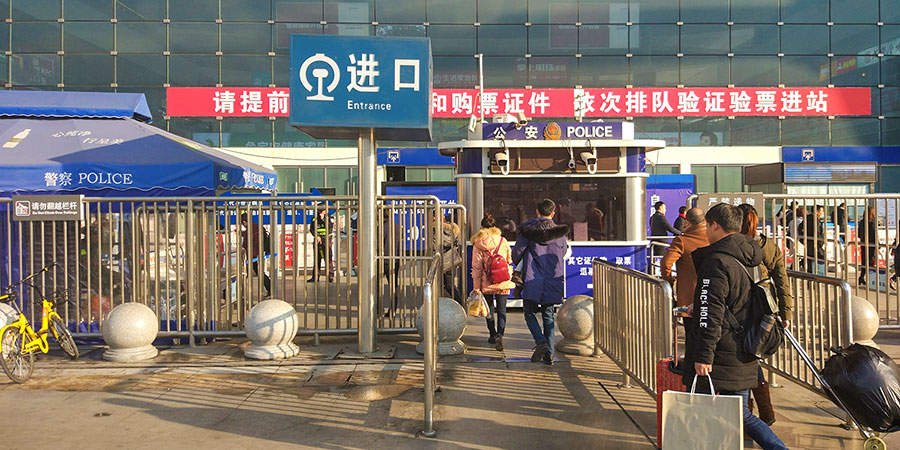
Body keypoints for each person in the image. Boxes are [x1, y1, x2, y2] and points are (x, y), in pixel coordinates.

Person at [683, 203, 787, 450]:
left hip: (721, 352)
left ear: (715, 225)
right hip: (746, 346)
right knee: (740, 414)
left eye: (708, 226)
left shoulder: (716, 262)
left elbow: (712, 314)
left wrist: (703, 356)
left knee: (703, 413)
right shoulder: (752, 257)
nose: (706, 231)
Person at [738, 203, 794, 426]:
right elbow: (782, 280)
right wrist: (785, 312)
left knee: (744, 359)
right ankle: (765, 412)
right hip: (763, 312)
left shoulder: (734, 245)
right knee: (753, 356)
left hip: (739, 310)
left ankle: (748, 414)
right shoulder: (767, 245)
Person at [512, 198, 568, 366]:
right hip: (553, 279)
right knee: (548, 316)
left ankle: (540, 341)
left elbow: (517, 254)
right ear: (553, 213)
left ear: (537, 212)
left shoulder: (527, 231)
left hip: (531, 278)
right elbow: (563, 252)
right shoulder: (560, 234)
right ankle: (549, 354)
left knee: (529, 313)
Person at [471, 214, 515, 351]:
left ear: (481, 227)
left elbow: (477, 267)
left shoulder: (478, 243)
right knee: (502, 309)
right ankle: (500, 335)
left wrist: (476, 287)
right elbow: (509, 260)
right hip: (502, 280)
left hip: (487, 281)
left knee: (489, 308)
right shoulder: (503, 240)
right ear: (495, 227)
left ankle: (492, 333)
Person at [661, 208, 709, 307]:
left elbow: (666, 264)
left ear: (687, 223)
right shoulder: (713, 238)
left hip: (689, 299)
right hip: (712, 296)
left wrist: (668, 280)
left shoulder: (681, 241)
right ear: (704, 221)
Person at [240, 213, 271, 296]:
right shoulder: (259, 227)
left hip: (253, 255)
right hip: (261, 253)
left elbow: (246, 244)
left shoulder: (249, 230)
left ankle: (269, 287)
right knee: (259, 272)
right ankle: (269, 287)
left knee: (255, 272)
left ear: (244, 222)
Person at [308, 206, 334, 283]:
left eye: (321, 211)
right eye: (319, 211)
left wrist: (324, 219)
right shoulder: (314, 218)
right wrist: (316, 236)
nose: (319, 213)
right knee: (317, 259)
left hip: (326, 239)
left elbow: (330, 228)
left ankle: (330, 276)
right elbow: (312, 229)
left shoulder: (330, 218)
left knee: (328, 258)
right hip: (317, 239)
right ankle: (315, 276)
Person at [803, 205, 826, 274]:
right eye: (821, 211)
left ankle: (811, 280)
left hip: (808, 245)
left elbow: (800, 229)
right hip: (815, 246)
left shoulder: (806, 219)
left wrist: (804, 241)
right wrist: (821, 243)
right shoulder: (815, 221)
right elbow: (817, 233)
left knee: (810, 263)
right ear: (817, 211)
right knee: (820, 260)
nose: (822, 213)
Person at [859, 206, 878, 286]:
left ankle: (861, 278)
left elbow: (859, 234)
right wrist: (878, 246)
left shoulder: (862, 222)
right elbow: (874, 235)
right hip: (871, 245)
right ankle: (871, 280)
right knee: (871, 262)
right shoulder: (872, 223)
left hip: (864, 244)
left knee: (864, 262)